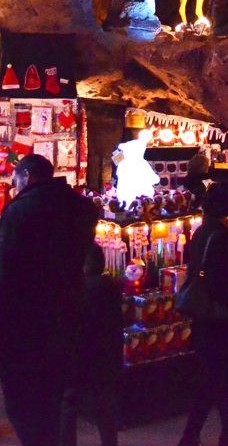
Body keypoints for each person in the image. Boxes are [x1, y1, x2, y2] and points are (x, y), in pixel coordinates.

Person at [0, 154, 98, 446]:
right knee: (54, 396)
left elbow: (7, 270)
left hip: (25, 321)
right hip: (67, 312)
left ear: (27, 176)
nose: (14, 187)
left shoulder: (20, 210)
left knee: (24, 400)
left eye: (15, 180)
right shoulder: (82, 207)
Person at [178, 182, 228, 446]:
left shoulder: (204, 232)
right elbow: (225, 281)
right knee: (215, 378)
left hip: (207, 313)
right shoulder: (222, 235)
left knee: (219, 377)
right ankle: (190, 437)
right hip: (220, 315)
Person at [61, 243, 123, 446]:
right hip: (104, 356)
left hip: (79, 354)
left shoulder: (79, 289)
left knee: (69, 403)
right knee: (104, 405)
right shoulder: (112, 288)